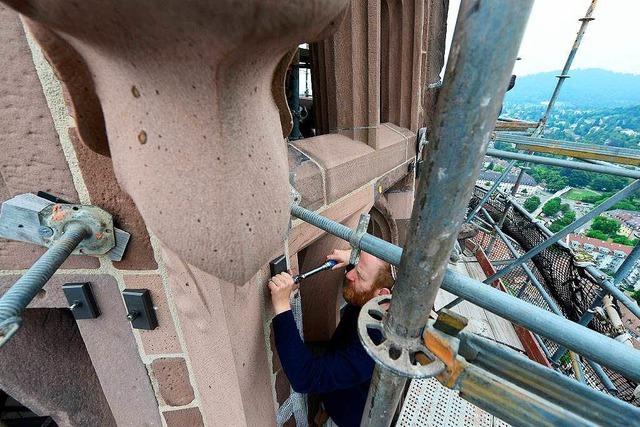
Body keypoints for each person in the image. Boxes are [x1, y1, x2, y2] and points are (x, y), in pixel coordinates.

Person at [268, 249, 394, 427]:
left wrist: (281, 305)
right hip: (337, 398)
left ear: (382, 295)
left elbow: (304, 376)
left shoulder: (371, 352)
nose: (349, 274)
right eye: (355, 265)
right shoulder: (380, 302)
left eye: (359, 274)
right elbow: (372, 273)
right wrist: (353, 258)